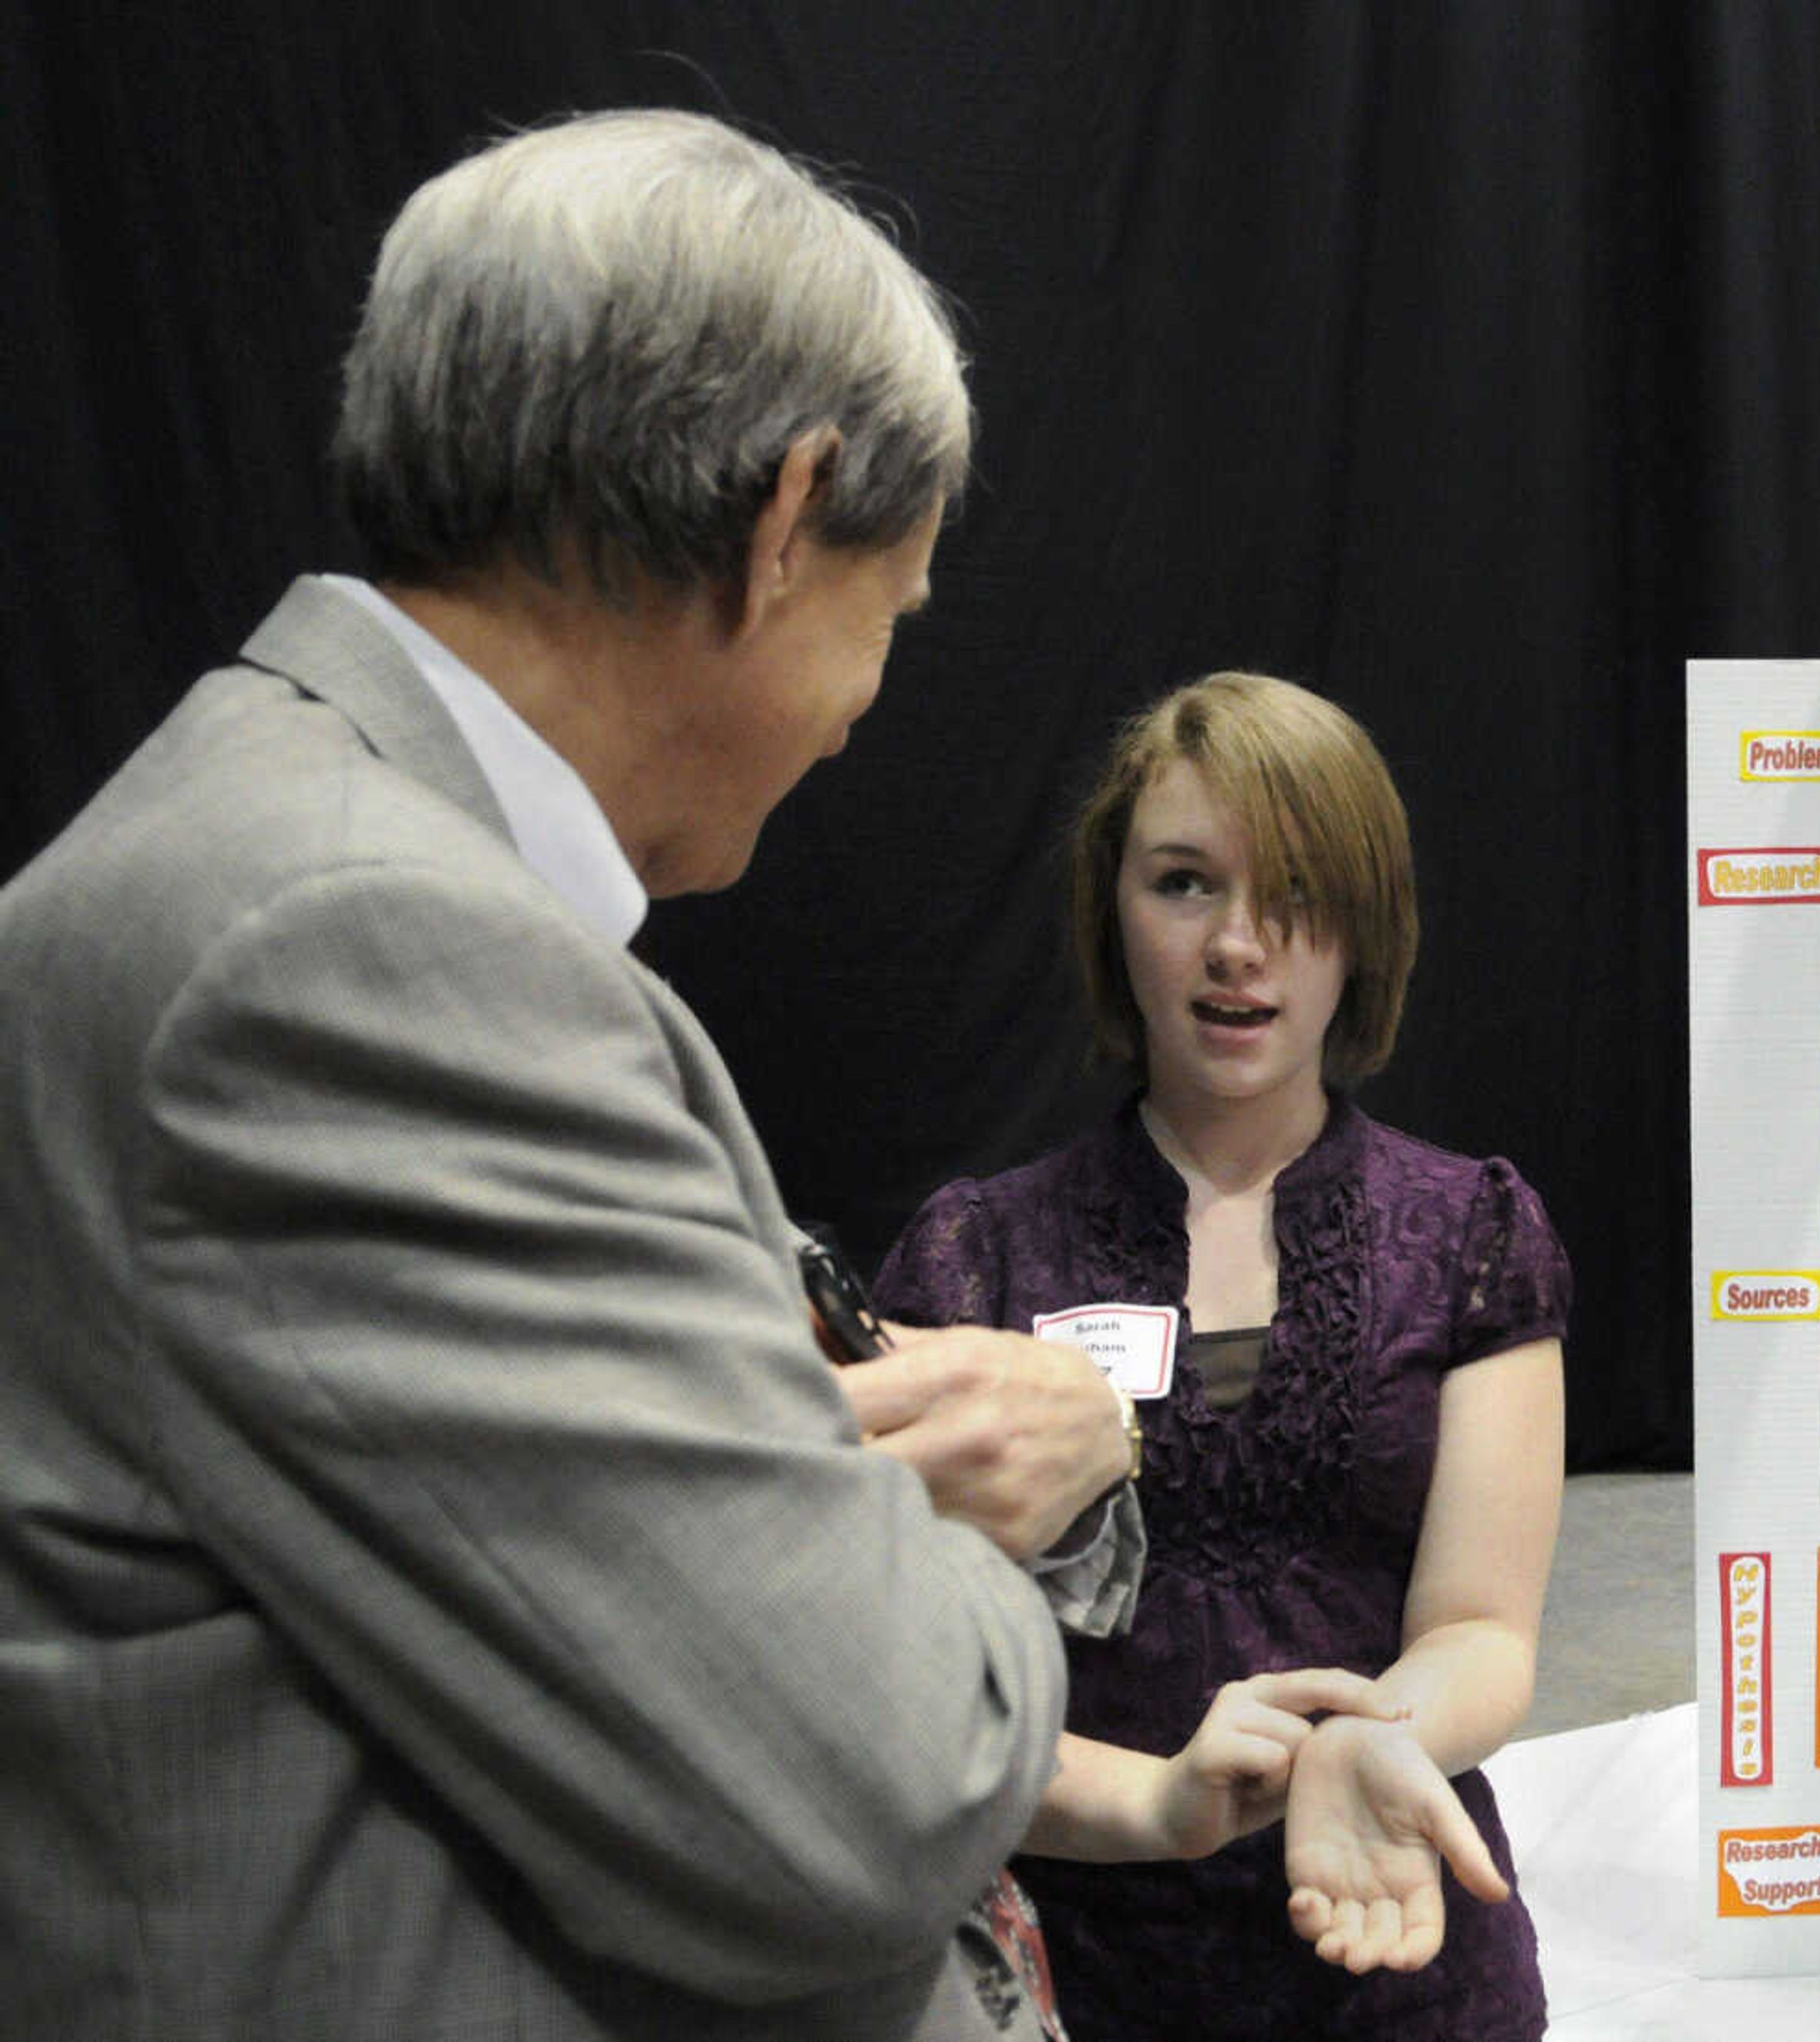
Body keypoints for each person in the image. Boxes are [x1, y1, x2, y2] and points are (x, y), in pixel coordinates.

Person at [0, 110, 1142, 2041]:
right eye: (895, 611)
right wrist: (968, 1513)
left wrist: (781, 1488)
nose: (869, 704)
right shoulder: (358, 946)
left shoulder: (279, 849)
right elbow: (875, 1787)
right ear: (788, 520)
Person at [875, 672, 1572, 2041]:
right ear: (1111, 912)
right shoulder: (977, 1260)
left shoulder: (1474, 1233)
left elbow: (1481, 1627)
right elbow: (922, 1689)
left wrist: (1378, 1739)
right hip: (1076, 1970)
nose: (1240, 943)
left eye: (1297, 889)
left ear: (1364, 927)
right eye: (1186, 883)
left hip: (1404, 1948)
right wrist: (1149, 1808)